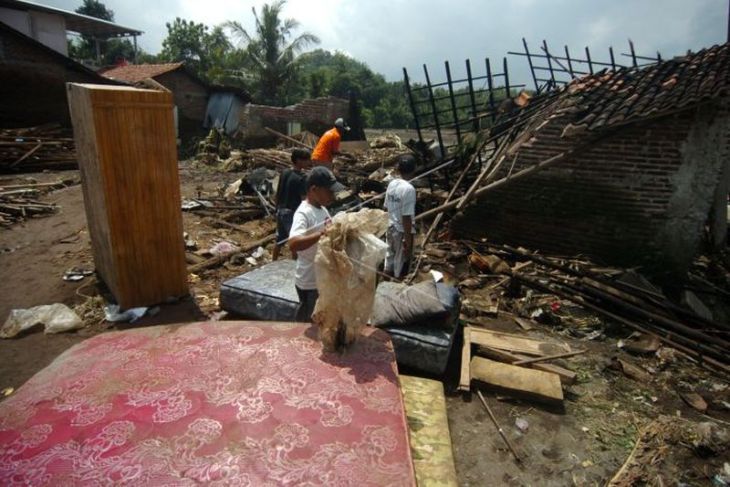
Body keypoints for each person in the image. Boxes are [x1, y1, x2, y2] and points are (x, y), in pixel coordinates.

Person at [288, 166, 344, 322]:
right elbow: (293, 243)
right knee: (309, 321)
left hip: (322, 277)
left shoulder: (323, 209)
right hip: (310, 281)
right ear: (314, 189)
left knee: (321, 319)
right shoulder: (303, 212)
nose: (333, 195)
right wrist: (320, 234)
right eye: (329, 191)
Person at [272, 148, 311, 261]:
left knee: (280, 240)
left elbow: (278, 192)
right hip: (291, 213)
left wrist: (276, 207)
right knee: (295, 242)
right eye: (307, 160)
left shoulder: (285, 172)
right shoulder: (301, 178)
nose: (309, 162)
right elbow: (304, 200)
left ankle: (273, 261)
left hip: (281, 210)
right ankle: (295, 266)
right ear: (299, 161)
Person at [384, 155, 417, 279]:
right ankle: (396, 288)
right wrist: (407, 240)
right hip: (401, 231)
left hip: (390, 226)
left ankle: (383, 285)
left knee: (389, 262)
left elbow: (386, 208)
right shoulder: (409, 189)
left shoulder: (392, 183)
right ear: (414, 169)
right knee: (400, 265)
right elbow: (406, 217)